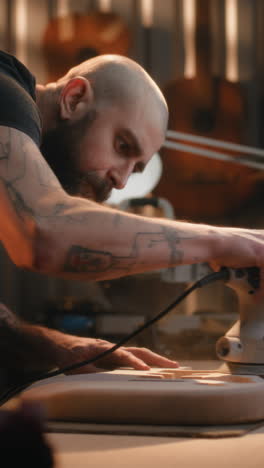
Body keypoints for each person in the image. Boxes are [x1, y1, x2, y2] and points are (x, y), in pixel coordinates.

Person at [0, 49, 264, 382]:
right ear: (75, 98)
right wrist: (223, 241)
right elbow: (44, 233)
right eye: (123, 146)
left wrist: (55, 346)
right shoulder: (5, 91)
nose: (122, 181)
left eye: (136, 169)